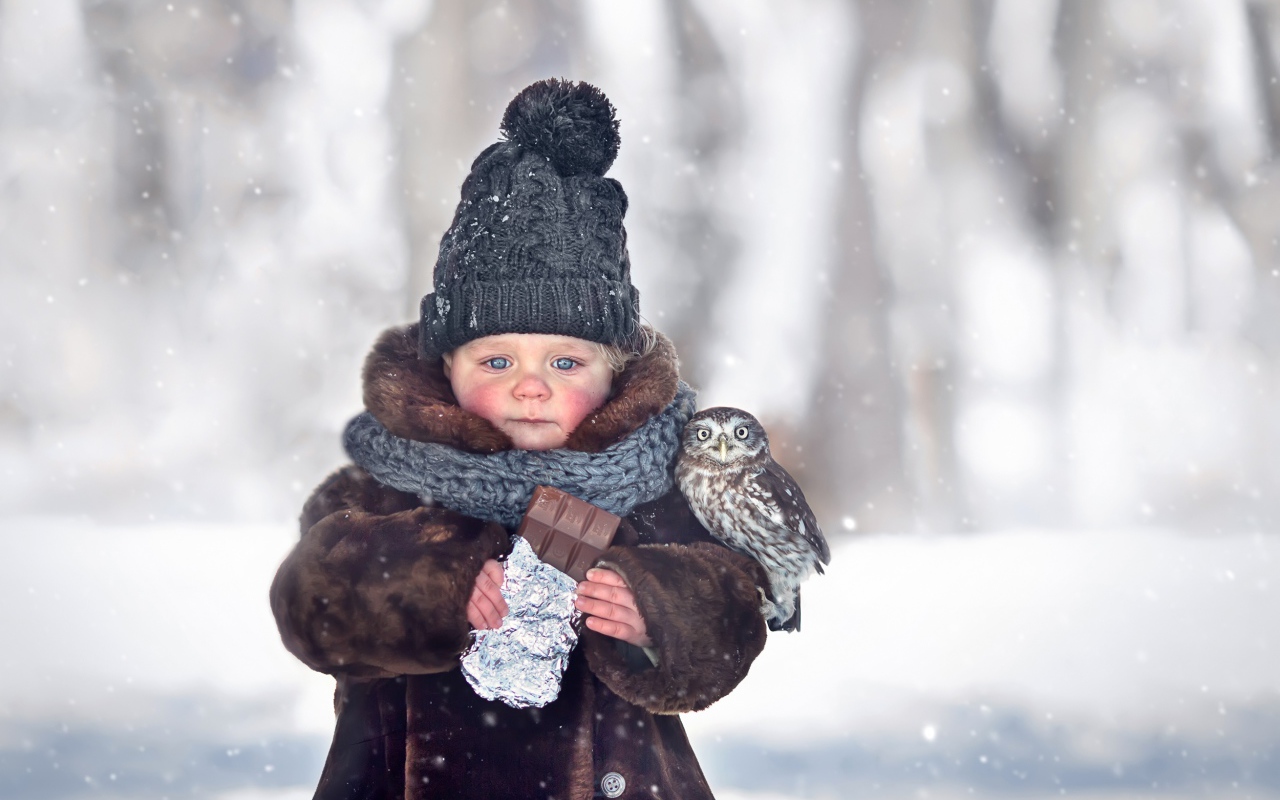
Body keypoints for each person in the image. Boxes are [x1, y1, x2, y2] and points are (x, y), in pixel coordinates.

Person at [270, 78, 770, 800]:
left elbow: (733, 608)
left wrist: (655, 608)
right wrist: (424, 581)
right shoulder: (385, 486)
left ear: (614, 371)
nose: (529, 385)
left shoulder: (662, 487)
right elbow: (311, 603)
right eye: (496, 361)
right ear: (448, 366)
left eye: (564, 362)